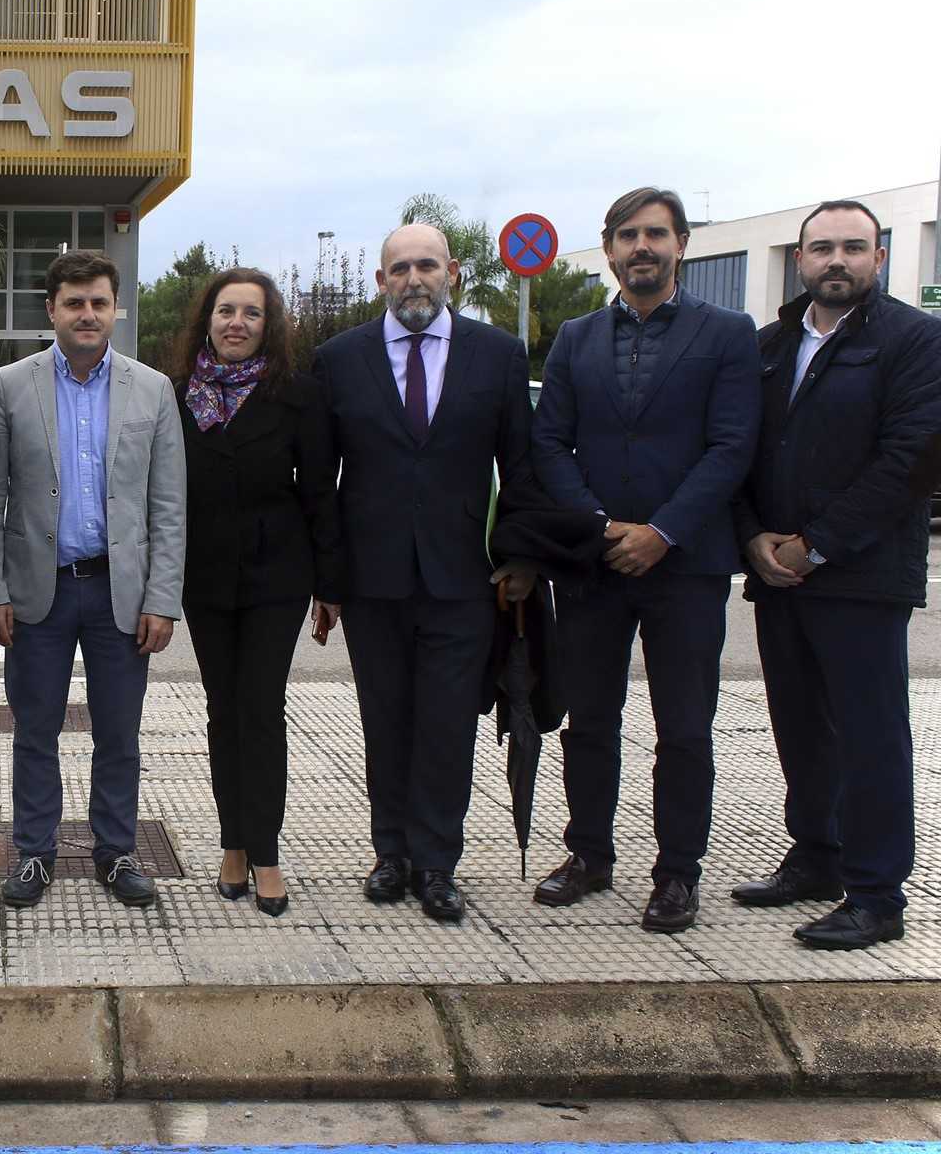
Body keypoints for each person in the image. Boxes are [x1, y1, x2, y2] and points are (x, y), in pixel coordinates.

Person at [530, 186, 760, 933]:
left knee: (685, 728)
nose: (642, 247)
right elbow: (548, 443)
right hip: (594, 567)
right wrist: (599, 528)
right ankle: (589, 855)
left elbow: (732, 447)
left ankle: (677, 874)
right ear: (609, 249)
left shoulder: (728, 334)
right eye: (627, 235)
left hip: (685, 566)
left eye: (656, 233)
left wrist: (662, 532)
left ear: (682, 244)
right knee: (589, 719)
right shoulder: (575, 336)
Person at [730, 199, 941, 950]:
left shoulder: (916, 342)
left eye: (855, 247)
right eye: (822, 248)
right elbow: (740, 451)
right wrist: (753, 537)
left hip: (861, 576)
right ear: (800, 261)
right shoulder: (770, 344)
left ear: (879, 258)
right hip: (777, 577)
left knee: (870, 736)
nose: (837, 261)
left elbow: (912, 461)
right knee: (800, 729)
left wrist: (814, 545)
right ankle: (816, 858)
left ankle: (878, 893)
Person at [313, 224, 536, 922]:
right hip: (372, 579)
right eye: (400, 268)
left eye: (427, 266)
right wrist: (328, 580)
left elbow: (523, 467)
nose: (414, 278)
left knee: (446, 725)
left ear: (453, 274)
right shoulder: (339, 359)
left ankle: (437, 863)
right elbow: (319, 481)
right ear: (380, 281)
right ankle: (390, 854)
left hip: (464, 578)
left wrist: (523, 557)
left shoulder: (498, 356)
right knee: (385, 720)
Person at [0, 249, 186, 909]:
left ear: (115, 308)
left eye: (99, 301)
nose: (88, 314)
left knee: (118, 732)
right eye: (75, 303)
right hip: (39, 590)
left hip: (119, 594)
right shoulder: (8, 386)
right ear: (52, 311)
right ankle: (33, 853)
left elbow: (167, 505)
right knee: (34, 729)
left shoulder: (152, 390)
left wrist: (162, 597)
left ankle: (116, 852)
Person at [172, 267, 343, 917]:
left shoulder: (299, 396)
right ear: (207, 320)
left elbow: (321, 494)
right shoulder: (178, 394)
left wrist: (330, 583)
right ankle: (232, 846)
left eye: (251, 313)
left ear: (269, 325)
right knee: (223, 712)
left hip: (277, 577)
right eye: (225, 311)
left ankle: (265, 851)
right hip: (205, 578)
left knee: (261, 711)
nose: (236, 323)